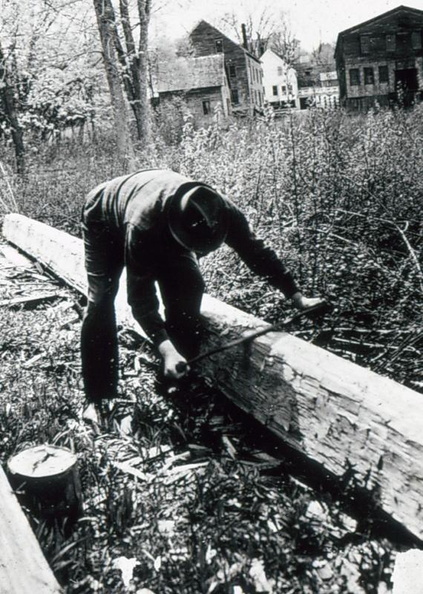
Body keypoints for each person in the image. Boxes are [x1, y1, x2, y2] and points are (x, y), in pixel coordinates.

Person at [81, 168, 323, 423]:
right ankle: (98, 397)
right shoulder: (144, 224)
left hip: (162, 220)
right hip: (104, 218)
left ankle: (172, 378)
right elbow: (141, 300)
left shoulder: (219, 211)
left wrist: (297, 297)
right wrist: (165, 348)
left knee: (190, 286)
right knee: (101, 301)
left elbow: (256, 251)